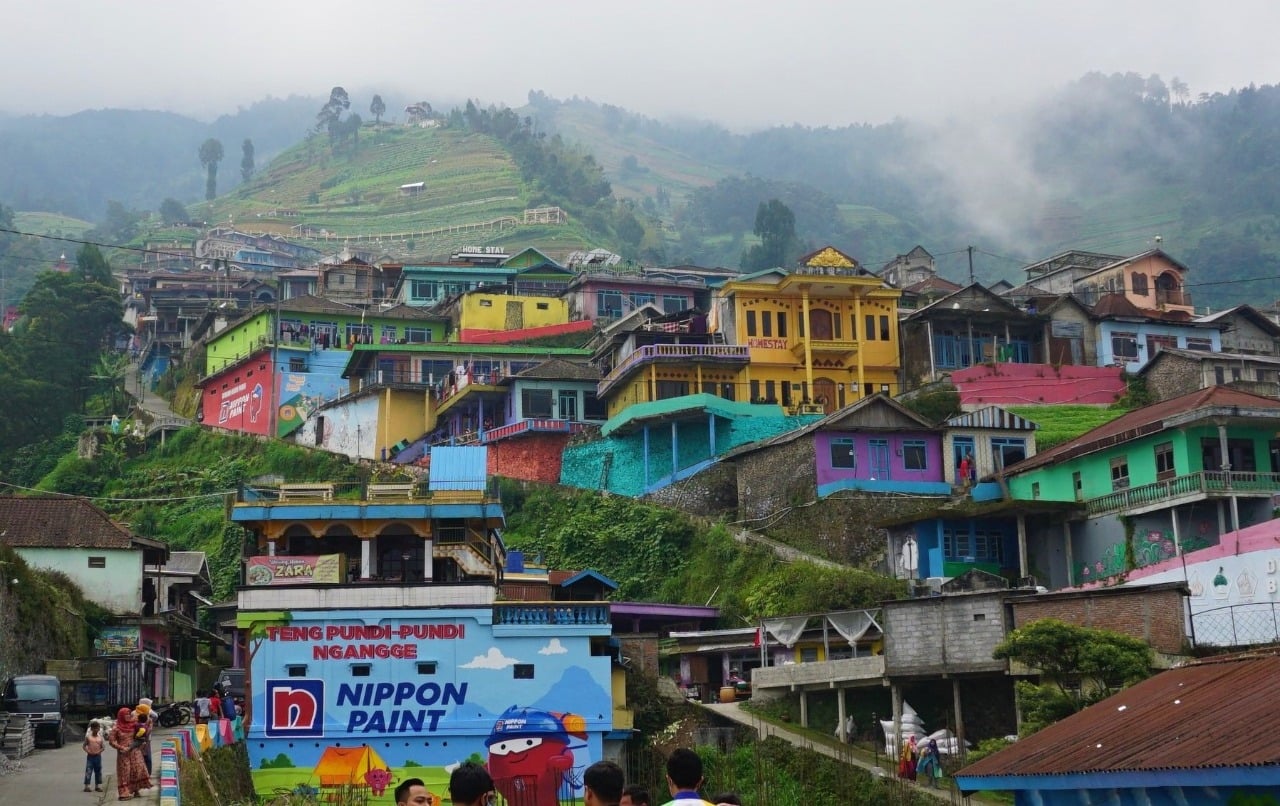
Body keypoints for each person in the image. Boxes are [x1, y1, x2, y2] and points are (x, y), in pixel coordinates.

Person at [107, 707, 151, 801]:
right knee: (125, 772)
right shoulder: (116, 728)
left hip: (135, 751)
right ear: (121, 716)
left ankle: (136, 790)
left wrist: (141, 743)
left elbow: (144, 728)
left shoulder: (134, 724)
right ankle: (124, 793)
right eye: (126, 714)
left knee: (137, 770)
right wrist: (121, 748)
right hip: (123, 753)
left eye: (129, 714)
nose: (128, 716)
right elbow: (111, 741)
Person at [83, 720, 105, 792]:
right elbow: (84, 746)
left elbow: (103, 747)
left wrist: (99, 752)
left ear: (99, 729)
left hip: (98, 756)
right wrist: (88, 751)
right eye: (94, 728)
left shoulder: (100, 737)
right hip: (90, 756)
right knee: (89, 771)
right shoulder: (88, 737)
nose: (96, 730)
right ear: (91, 729)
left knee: (98, 771)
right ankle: (87, 786)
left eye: (97, 728)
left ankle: (97, 786)